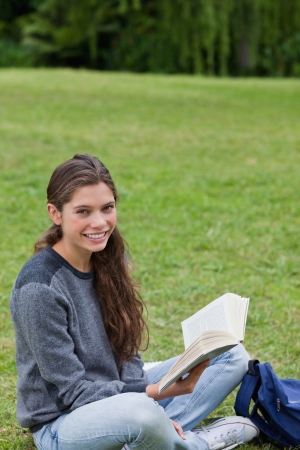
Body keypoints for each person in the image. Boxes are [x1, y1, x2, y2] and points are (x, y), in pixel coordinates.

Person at [10, 154, 259, 450]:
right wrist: (153, 393)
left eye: (107, 208)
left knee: (232, 356)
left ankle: (154, 435)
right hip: (63, 421)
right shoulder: (40, 288)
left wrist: (147, 390)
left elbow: (126, 348)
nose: (99, 222)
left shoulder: (108, 257)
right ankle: (196, 443)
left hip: (118, 393)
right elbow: (73, 393)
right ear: (55, 213)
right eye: (83, 211)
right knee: (142, 415)